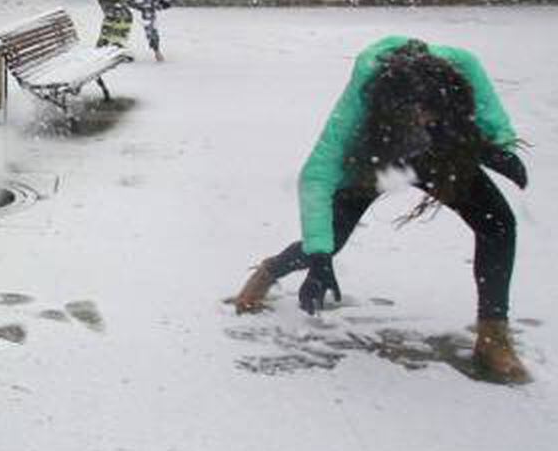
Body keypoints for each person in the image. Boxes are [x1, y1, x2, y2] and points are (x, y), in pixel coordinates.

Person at [228, 36, 532, 384]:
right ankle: (269, 271)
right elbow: (318, 174)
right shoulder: (365, 93)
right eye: (414, 116)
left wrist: (500, 147)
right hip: (376, 153)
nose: (421, 120)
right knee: (329, 241)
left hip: (445, 150)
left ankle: (493, 338)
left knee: (498, 225)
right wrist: (320, 253)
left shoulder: (462, 66)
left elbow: (491, 114)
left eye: (428, 113)